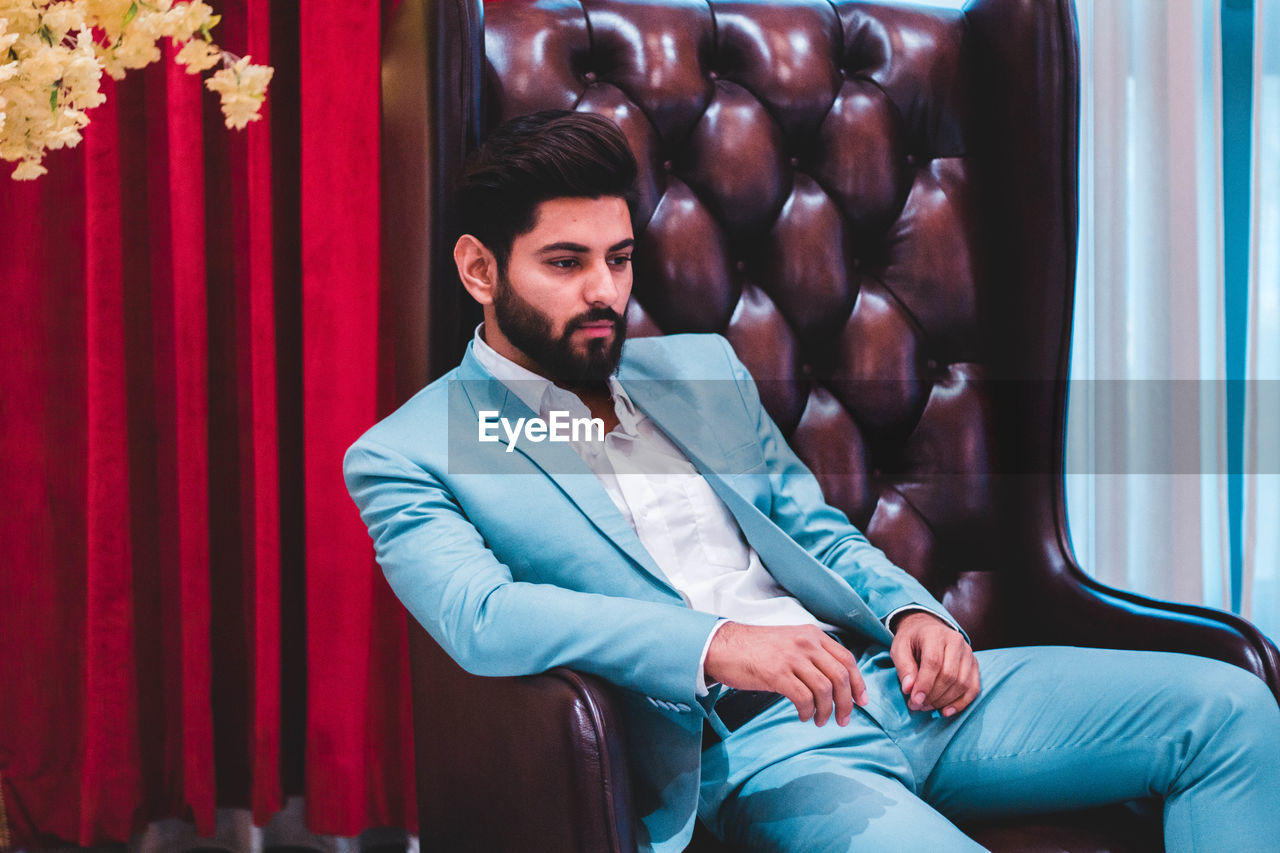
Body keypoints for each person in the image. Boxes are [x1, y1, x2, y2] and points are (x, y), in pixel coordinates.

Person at [344, 110, 1280, 852]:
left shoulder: (700, 372)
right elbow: (482, 616)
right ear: (478, 269)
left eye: (619, 259)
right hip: (752, 748)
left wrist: (918, 616)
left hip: (891, 688)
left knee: (1232, 710)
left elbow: (816, 528)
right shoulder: (411, 449)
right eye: (566, 263)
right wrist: (713, 642)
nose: (606, 292)